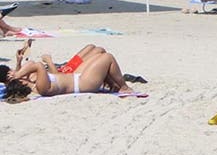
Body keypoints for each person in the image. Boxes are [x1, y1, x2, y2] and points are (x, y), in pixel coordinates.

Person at [2, 50, 133, 98]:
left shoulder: (32, 83)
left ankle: (113, 84)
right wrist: (18, 74)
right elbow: (37, 65)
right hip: (83, 83)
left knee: (99, 52)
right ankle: (123, 86)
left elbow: (30, 66)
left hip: (77, 78)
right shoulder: (41, 88)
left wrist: (18, 65)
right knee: (107, 57)